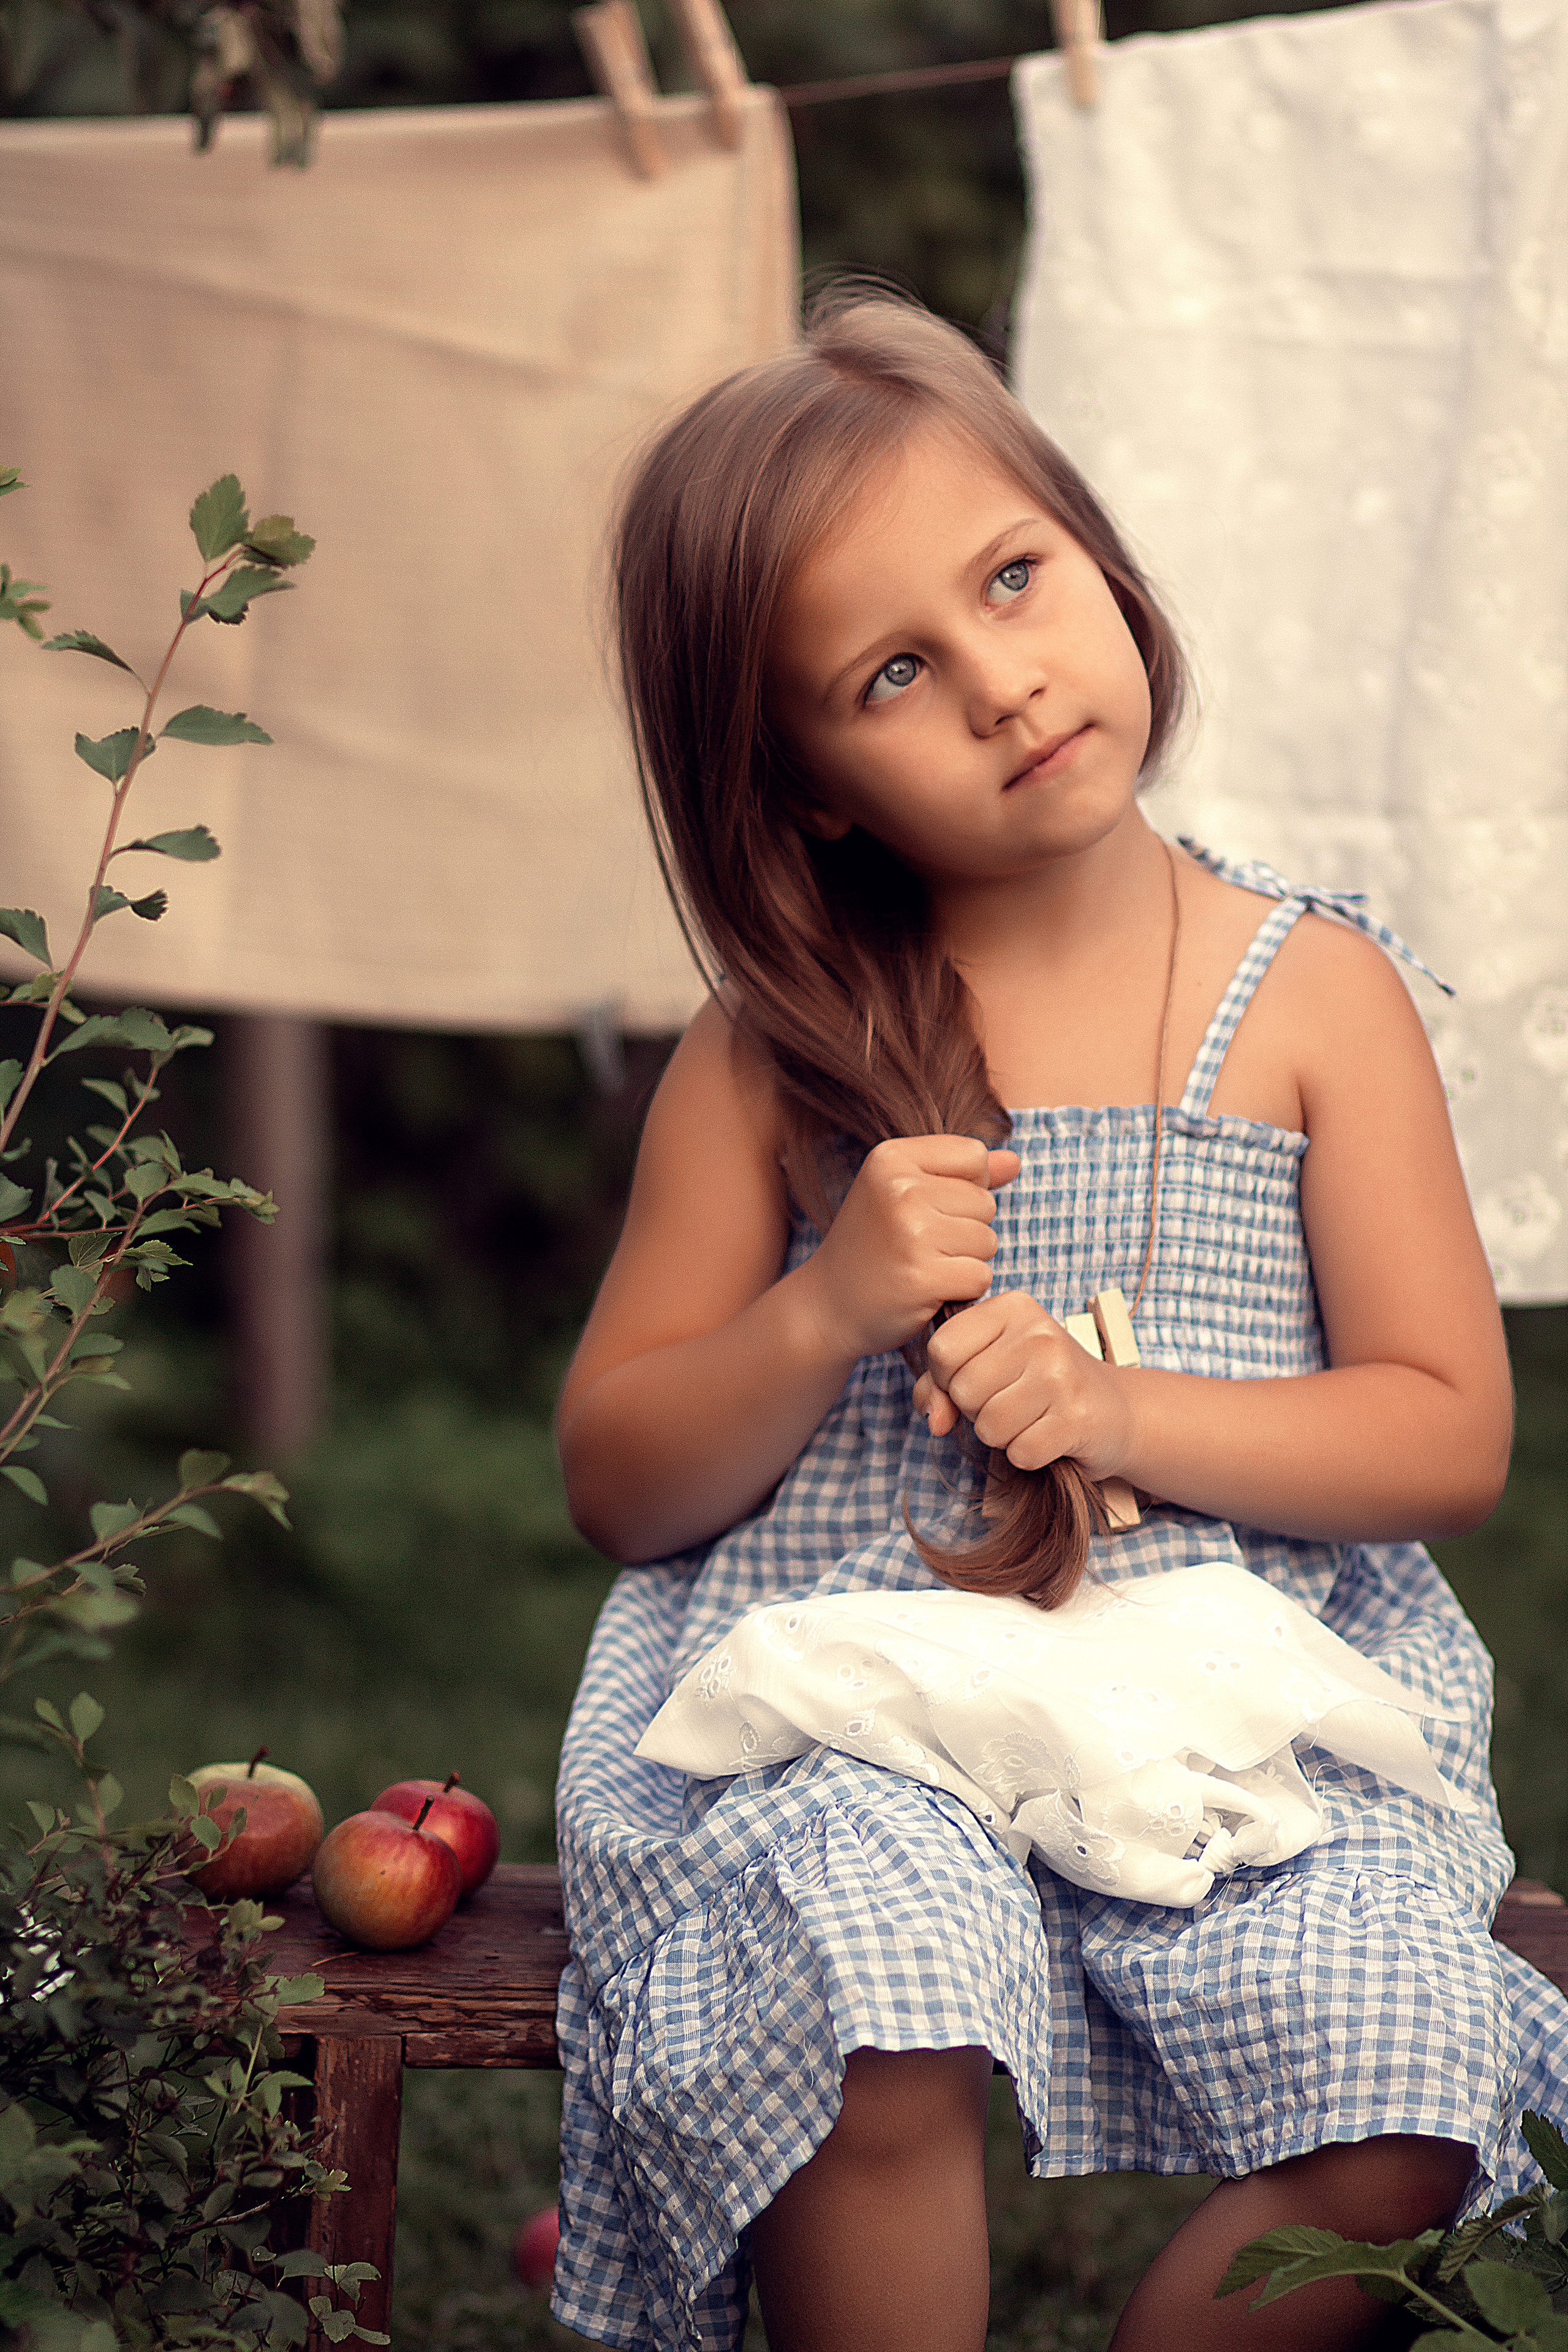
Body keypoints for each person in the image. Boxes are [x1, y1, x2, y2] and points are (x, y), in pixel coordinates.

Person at [550, 287, 1568, 2352]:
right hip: (875, 1709)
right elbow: (619, 1476)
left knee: (1424, 2057)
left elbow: (1446, 1434)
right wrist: (820, 1307)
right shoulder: (775, 1058)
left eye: (1017, 577)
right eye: (898, 670)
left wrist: (1123, 1409)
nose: (1007, 680)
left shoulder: (1309, 995)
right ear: (812, 784)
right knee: (866, 1976)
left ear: (1096, 547)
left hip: (1243, 1707)